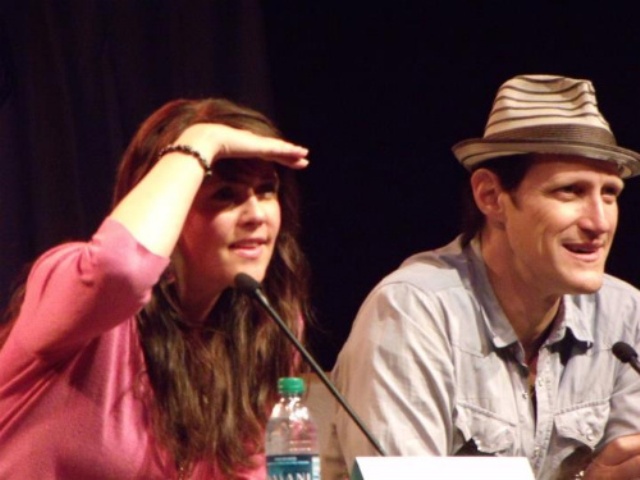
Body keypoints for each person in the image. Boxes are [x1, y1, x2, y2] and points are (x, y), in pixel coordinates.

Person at [323, 74, 640, 480]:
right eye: (570, 191)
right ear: (491, 196)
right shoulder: (414, 311)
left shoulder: (623, 314)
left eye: (610, 194)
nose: (599, 222)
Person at [0, 98, 312, 479]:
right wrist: (201, 141)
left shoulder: (263, 326)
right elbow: (123, 268)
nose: (257, 215)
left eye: (266, 191)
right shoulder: (74, 286)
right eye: (225, 195)